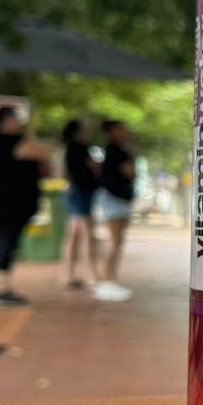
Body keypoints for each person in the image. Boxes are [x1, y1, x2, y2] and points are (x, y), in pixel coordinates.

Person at [0, 107, 50, 307]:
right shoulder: (3, 142)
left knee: (8, 240)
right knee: (7, 241)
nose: (19, 123)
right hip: (9, 202)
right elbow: (41, 151)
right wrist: (29, 130)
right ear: (4, 122)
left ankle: (1, 287)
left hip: (13, 202)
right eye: (15, 119)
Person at [95, 119, 136, 303]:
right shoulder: (117, 150)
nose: (125, 131)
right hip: (115, 199)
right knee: (115, 241)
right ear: (113, 132)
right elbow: (130, 173)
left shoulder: (115, 150)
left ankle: (110, 279)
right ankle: (106, 281)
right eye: (121, 129)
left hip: (117, 199)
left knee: (117, 241)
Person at [61, 119, 102, 289]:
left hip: (74, 192)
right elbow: (94, 169)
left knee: (74, 235)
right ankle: (92, 274)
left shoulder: (70, 149)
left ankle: (68, 275)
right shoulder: (81, 149)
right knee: (87, 234)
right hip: (81, 193)